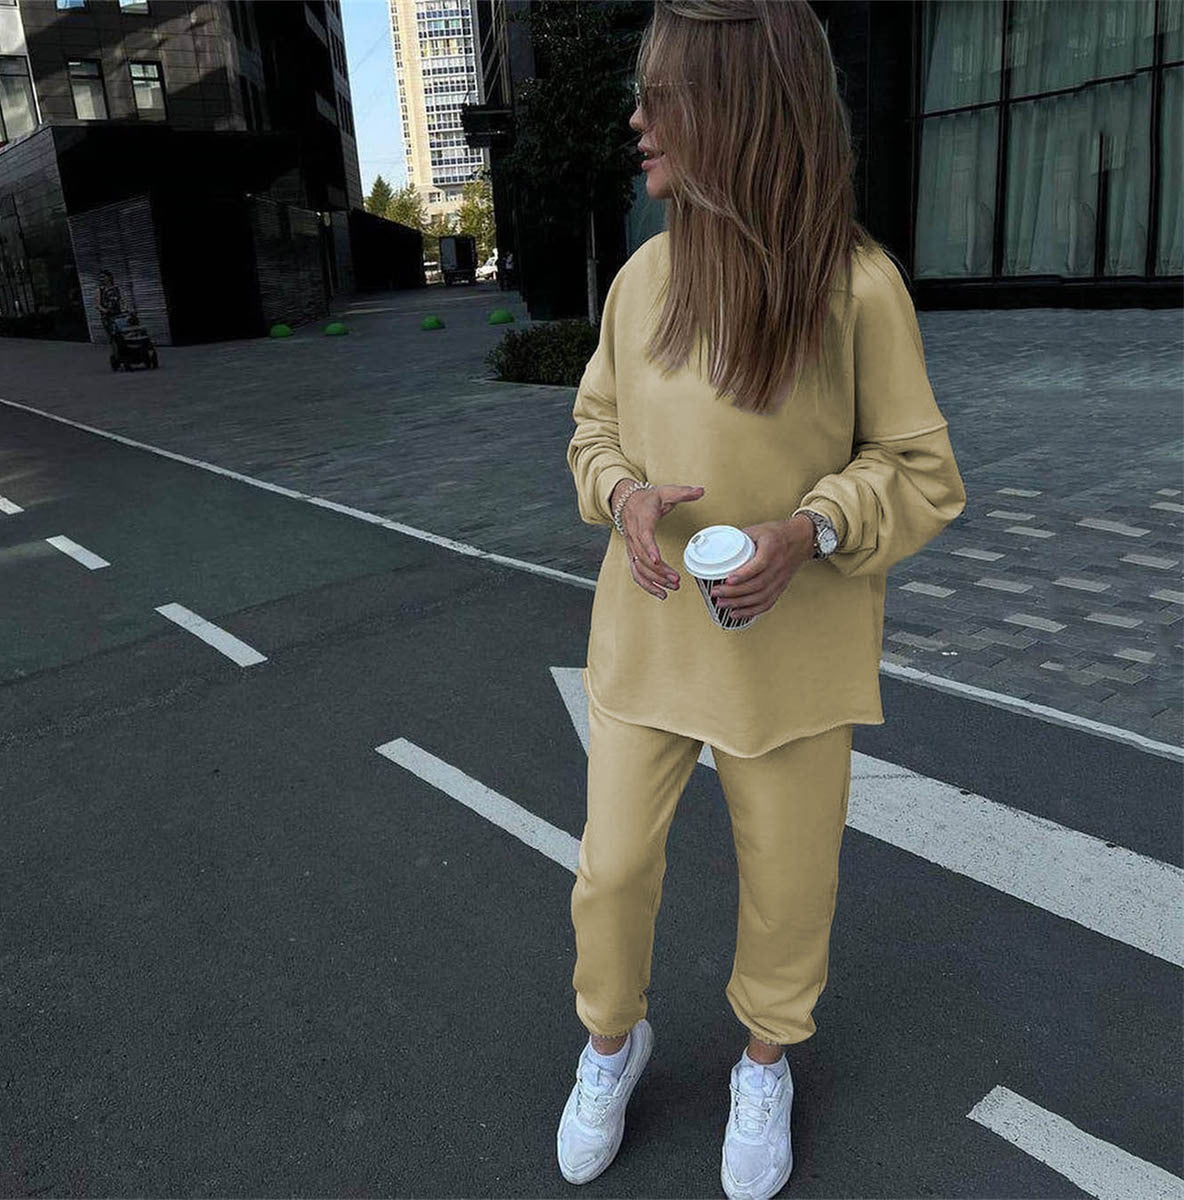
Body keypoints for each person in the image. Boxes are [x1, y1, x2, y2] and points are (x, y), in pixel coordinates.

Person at [560, 3, 967, 1199]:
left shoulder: (857, 286)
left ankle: (765, 1063)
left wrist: (813, 527)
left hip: (791, 662)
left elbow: (922, 472)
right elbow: (590, 429)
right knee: (611, 873)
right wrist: (622, 494)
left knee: (789, 891)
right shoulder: (641, 281)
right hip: (646, 644)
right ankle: (610, 1043)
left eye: (661, 97)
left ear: (736, 106)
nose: (637, 120)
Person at [97, 270, 122, 340]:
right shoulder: (100, 290)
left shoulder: (115, 288)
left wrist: (125, 308)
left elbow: (120, 300)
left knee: (121, 334)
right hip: (107, 317)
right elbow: (97, 304)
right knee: (112, 336)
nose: (101, 279)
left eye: (103, 277)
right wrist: (105, 311)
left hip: (118, 314)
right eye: (100, 277)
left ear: (109, 277)